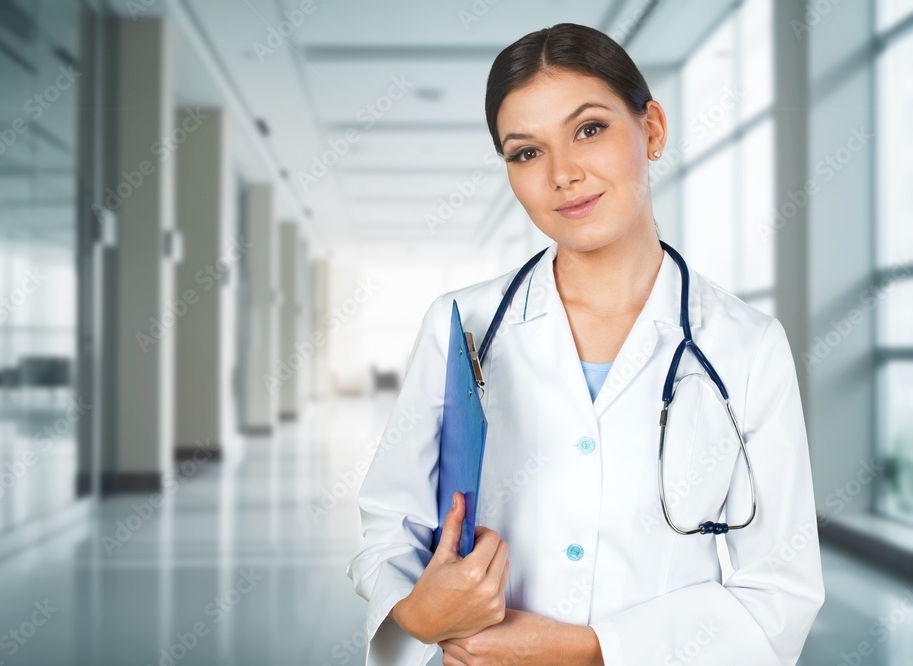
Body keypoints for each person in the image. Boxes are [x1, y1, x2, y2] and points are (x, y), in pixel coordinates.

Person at [345, 22, 824, 666]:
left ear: (651, 129)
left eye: (590, 129)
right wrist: (413, 614)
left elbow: (780, 592)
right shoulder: (463, 323)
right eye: (526, 152)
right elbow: (388, 526)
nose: (563, 174)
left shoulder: (747, 347)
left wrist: (591, 650)